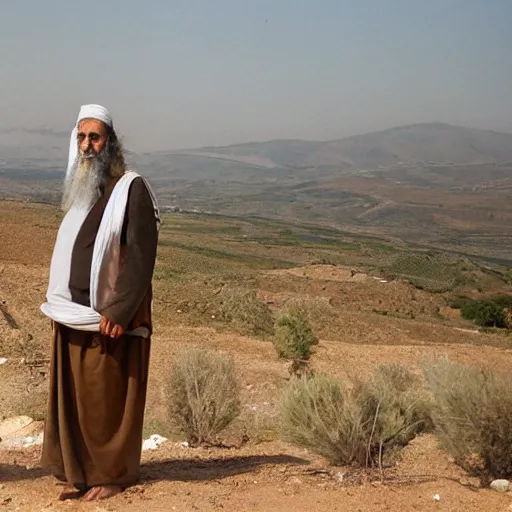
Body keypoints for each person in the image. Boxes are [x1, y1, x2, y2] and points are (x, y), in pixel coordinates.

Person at [40, 104, 160, 501]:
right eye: (81, 138)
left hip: (107, 317)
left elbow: (142, 254)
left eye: (95, 137)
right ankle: (79, 473)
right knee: (77, 401)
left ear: (110, 141)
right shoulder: (82, 191)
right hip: (72, 313)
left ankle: (112, 476)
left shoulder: (130, 188)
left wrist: (120, 310)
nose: (88, 146)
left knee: (106, 400)